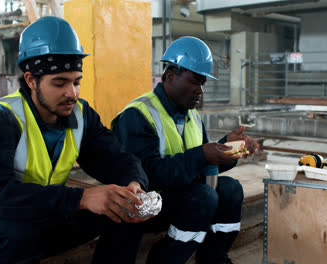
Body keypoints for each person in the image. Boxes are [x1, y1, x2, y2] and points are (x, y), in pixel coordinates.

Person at [0, 16, 150, 263]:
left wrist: (133, 183)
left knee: (125, 211)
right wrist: (81, 198)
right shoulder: (1, 119)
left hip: (48, 213)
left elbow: (115, 158)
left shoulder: (81, 115)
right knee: (17, 234)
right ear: (30, 80)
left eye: (76, 82)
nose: (72, 93)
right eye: (60, 83)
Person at [111, 36, 259, 264]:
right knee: (203, 197)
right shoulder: (138, 114)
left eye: (203, 84)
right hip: (146, 204)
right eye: (195, 82)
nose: (200, 91)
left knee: (230, 189)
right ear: (170, 77)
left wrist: (230, 149)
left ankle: (213, 258)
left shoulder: (191, 116)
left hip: (180, 195)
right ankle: (164, 258)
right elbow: (145, 174)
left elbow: (204, 165)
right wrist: (203, 154)